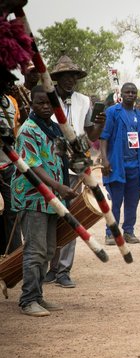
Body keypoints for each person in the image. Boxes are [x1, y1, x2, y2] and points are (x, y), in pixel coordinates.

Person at [12, 85, 78, 316]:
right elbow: (32, 165)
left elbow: (63, 157)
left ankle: (38, 296)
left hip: (51, 199)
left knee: (49, 250)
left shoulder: (53, 129)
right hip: (33, 199)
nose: (45, 107)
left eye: (49, 103)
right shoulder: (29, 130)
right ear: (31, 103)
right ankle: (28, 299)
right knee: (35, 250)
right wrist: (60, 186)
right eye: (40, 103)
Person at [44, 55, 105, 288]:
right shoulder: (47, 99)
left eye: (73, 77)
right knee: (53, 215)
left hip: (76, 164)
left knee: (73, 216)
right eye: (64, 77)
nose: (69, 81)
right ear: (56, 79)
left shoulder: (83, 101)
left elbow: (91, 134)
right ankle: (51, 266)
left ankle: (63, 270)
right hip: (51, 163)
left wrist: (101, 122)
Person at [99, 82, 140, 245]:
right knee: (116, 201)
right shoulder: (112, 112)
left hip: (136, 166)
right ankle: (111, 233)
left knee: (132, 201)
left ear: (136, 95)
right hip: (117, 165)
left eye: (133, 92)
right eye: (127, 92)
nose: (130, 94)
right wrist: (105, 159)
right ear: (121, 95)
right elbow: (104, 137)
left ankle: (129, 232)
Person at [0, 67, 23, 255]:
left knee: (13, 210)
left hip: (9, 164)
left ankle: (14, 255)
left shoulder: (12, 103)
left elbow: (16, 128)